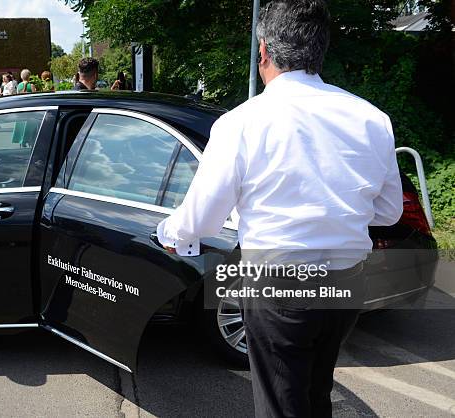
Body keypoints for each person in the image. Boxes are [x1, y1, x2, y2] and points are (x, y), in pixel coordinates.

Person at [156, 1, 403, 417]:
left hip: (279, 282)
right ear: (320, 50)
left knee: (281, 402)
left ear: (264, 51)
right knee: (316, 390)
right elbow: (389, 211)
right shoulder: (371, 118)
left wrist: (171, 234)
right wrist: (338, 214)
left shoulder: (242, 122)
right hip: (346, 281)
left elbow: (203, 218)